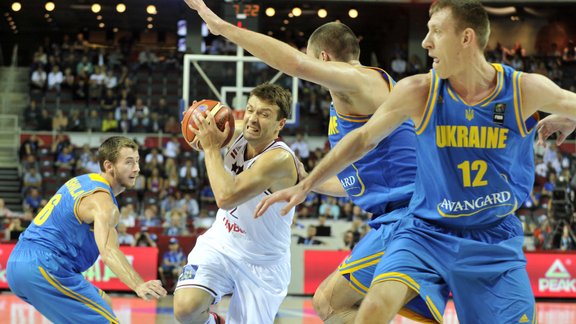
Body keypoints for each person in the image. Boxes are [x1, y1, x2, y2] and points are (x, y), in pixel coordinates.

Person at [256, 0, 576, 322]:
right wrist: (309, 183)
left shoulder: (522, 90)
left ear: (466, 38)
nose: (425, 42)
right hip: (427, 228)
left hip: (491, 234)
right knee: (372, 307)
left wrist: (573, 116)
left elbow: (298, 65)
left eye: (436, 31)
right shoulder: (420, 91)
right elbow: (364, 139)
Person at [183, 1, 426, 322]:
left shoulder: (357, 79)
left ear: (323, 58)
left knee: (331, 304)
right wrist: (308, 182)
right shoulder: (353, 100)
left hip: (409, 216)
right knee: (333, 304)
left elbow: (295, 64)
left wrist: (221, 27)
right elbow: (357, 183)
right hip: (395, 215)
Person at [172, 83, 300, 324]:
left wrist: (210, 149)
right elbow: (208, 123)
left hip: (262, 262)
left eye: (264, 114)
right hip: (222, 243)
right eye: (250, 110)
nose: (253, 119)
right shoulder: (238, 132)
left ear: (280, 124)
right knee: (185, 310)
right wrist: (198, 117)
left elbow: (225, 197)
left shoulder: (279, 158)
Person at [6, 136, 167, 323]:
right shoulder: (103, 202)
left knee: (104, 302)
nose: (137, 168)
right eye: (129, 162)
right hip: (45, 265)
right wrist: (139, 285)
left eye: (137, 161)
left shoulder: (84, 181)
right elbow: (108, 251)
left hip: (21, 262)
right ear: (109, 166)